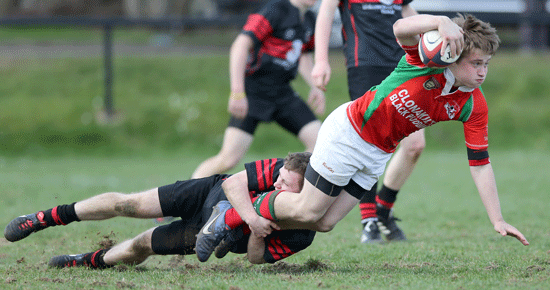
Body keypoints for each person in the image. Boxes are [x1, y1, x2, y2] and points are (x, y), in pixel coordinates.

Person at [195, 13, 530, 262]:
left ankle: (241, 220)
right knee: (308, 211)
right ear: (452, 55)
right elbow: (400, 28)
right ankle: (230, 214)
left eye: (486, 63)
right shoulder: (420, 64)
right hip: (349, 133)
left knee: (323, 223)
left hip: (377, 155)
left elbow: (481, 165)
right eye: (475, 63)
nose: (482, 72)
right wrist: (441, 21)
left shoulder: (473, 105)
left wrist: (497, 219)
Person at [3, 152, 316, 267]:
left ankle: (86, 260)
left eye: (287, 186)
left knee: (141, 246)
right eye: (279, 179)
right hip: (210, 192)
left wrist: (258, 233)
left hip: (213, 236)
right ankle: (44, 218)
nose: (277, 186)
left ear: (306, 194)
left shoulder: (303, 233)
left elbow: (255, 258)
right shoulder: (278, 168)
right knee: (128, 203)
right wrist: (251, 216)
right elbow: (234, 184)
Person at [311, 0, 420, 243]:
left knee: (414, 146)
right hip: (365, 66)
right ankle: (368, 220)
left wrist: (437, 34)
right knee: (369, 143)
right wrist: (321, 60)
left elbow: (407, 13)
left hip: (403, 65)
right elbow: (326, 12)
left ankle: (383, 208)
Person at [191, 0, 325, 179]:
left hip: (283, 92)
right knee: (228, 159)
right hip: (255, 92)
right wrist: (237, 92)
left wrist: (315, 86)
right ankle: (185, 198)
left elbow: (303, 56)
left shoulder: (309, 19)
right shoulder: (275, 9)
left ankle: (283, 189)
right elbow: (240, 45)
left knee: (320, 145)